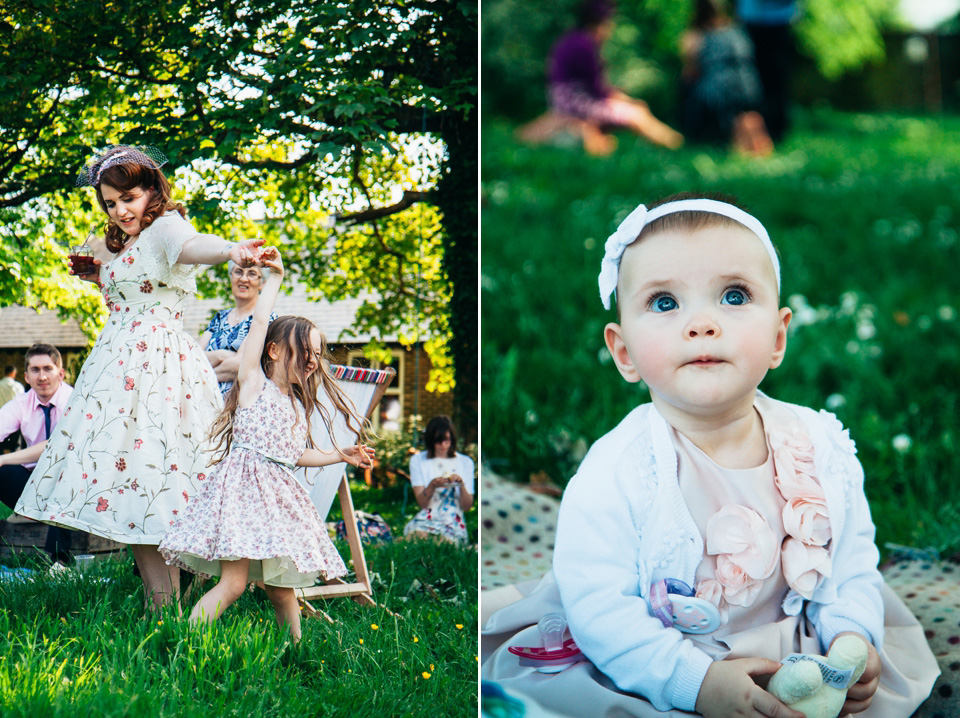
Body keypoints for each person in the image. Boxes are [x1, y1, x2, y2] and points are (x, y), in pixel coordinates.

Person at [481, 195, 938, 717]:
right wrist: (696, 684)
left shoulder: (819, 447)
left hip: (797, 658)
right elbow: (600, 609)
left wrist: (851, 638)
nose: (701, 323)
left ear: (778, 337)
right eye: (664, 303)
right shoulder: (617, 471)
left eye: (735, 296)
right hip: (646, 660)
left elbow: (851, 564)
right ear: (623, 352)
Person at [15, 145, 265, 610]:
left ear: (151, 191)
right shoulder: (120, 240)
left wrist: (232, 249)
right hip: (118, 365)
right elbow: (133, 281)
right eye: (110, 202)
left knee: (162, 477)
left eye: (127, 198)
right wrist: (98, 275)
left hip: (159, 368)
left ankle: (175, 596)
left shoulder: (169, 225)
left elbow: (193, 247)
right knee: (133, 480)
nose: (119, 210)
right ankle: (162, 601)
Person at [159, 247, 374, 642]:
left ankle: (294, 649)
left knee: (281, 587)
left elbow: (295, 455)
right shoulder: (254, 384)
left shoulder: (296, 404)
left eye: (315, 353)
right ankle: (183, 641)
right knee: (234, 584)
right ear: (274, 351)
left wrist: (339, 454)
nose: (312, 359)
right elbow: (260, 322)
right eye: (303, 351)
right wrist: (274, 277)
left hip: (276, 505)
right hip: (241, 498)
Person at [520, 0, 683, 155]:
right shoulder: (585, 44)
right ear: (602, 22)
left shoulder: (572, 39)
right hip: (576, 103)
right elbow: (598, 90)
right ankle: (674, 143)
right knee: (637, 113)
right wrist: (626, 100)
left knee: (602, 130)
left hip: (564, 102)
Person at [0, 345, 76, 563]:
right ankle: (34, 511)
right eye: (35, 370)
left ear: (60, 374)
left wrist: (4, 457)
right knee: (2, 473)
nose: (42, 377)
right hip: (34, 484)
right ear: (26, 376)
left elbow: (56, 447)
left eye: (47, 369)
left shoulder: (76, 402)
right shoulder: (21, 403)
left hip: (73, 482)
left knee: (63, 480)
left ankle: (59, 562)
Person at [679, 0, 773, 156]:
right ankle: (758, 148)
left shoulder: (696, 35)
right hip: (750, 88)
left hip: (717, 93)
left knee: (687, 85)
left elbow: (690, 71)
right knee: (749, 117)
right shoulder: (738, 31)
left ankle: (700, 138)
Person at [200, 261, 279, 397]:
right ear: (231, 277)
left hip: (238, 402)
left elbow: (241, 365)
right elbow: (194, 357)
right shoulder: (219, 317)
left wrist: (200, 377)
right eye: (238, 272)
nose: (243, 278)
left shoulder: (266, 319)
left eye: (252, 273)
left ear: (263, 284)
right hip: (205, 399)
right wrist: (222, 355)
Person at [403, 415, 475, 544]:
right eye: (438, 441)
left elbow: (467, 506)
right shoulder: (418, 460)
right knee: (416, 536)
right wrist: (432, 486)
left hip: (453, 519)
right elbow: (422, 503)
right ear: (431, 440)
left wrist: (461, 485)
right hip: (428, 515)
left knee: (445, 542)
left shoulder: (465, 462)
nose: (443, 445)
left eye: (447, 440)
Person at [736, 0, 797, 143]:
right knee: (753, 80)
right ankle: (756, 133)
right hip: (752, 19)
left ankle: (775, 131)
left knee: (776, 80)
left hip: (777, 20)